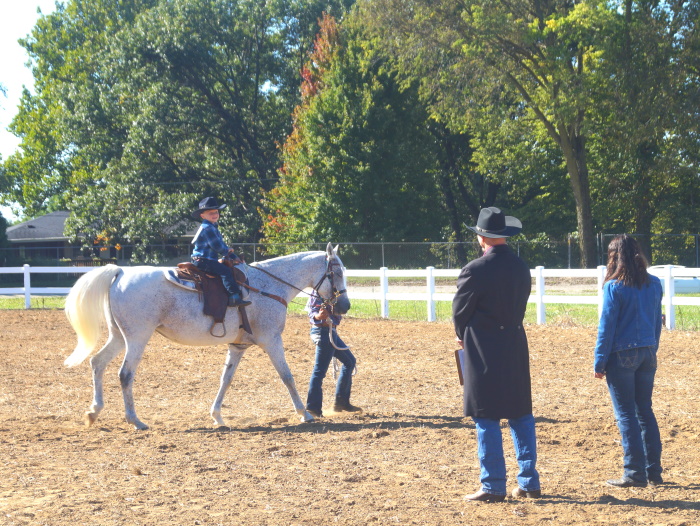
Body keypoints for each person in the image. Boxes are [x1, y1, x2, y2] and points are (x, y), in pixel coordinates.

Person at [452, 207, 541, 503]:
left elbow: (459, 314)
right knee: (520, 414)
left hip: (483, 349)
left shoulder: (474, 270)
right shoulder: (520, 267)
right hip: (514, 344)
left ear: (482, 237)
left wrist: (463, 335)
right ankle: (529, 481)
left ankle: (492, 484)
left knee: (486, 415)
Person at [594, 234, 663, 488]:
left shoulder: (614, 287)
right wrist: (652, 348)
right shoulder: (655, 284)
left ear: (614, 257)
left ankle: (634, 473)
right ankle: (653, 471)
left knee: (626, 415)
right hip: (647, 352)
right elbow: (657, 321)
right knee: (644, 411)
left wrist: (599, 361)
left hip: (622, 355)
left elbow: (607, 327)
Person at [305, 290, 361, 418]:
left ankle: (341, 402)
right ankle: (313, 409)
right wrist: (319, 316)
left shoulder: (335, 293)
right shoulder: (317, 292)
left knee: (349, 362)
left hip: (330, 331)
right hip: (323, 332)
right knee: (319, 372)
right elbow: (312, 312)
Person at [191, 197, 251, 308]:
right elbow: (217, 247)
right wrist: (230, 253)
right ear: (202, 216)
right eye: (210, 213)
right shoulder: (207, 228)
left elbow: (222, 246)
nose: (214, 214)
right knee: (225, 272)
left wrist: (234, 256)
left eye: (216, 212)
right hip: (204, 260)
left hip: (206, 260)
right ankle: (234, 297)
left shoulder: (212, 227)